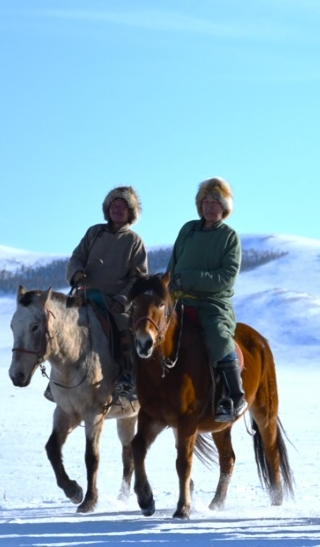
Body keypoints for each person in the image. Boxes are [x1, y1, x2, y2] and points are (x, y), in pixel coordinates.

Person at [166, 177, 246, 423]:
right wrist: (167, 287)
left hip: (213, 304)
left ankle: (235, 395)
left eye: (215, 203)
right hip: (179, 301)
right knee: (151, 330)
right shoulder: (188, 230)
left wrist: (188, 279)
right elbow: (173, 263)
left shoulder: (229, 237)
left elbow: (226, 278)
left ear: (224, 208)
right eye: (206, 202)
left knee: (219, 335)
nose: (210, 207)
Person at [63, 185, 148, 401]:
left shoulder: (134, 241)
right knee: (63, 326)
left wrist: (123, 299)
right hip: (86, 295)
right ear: (107, 209)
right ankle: (60, 379)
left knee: (125, 327)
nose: (117, 210)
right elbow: (77, 256)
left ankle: (127, 375)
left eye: (122, 207)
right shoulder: (95, 232)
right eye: (113, 205)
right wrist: (76, 272)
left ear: (130, 212)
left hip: (114, 301)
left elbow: (138, 278)